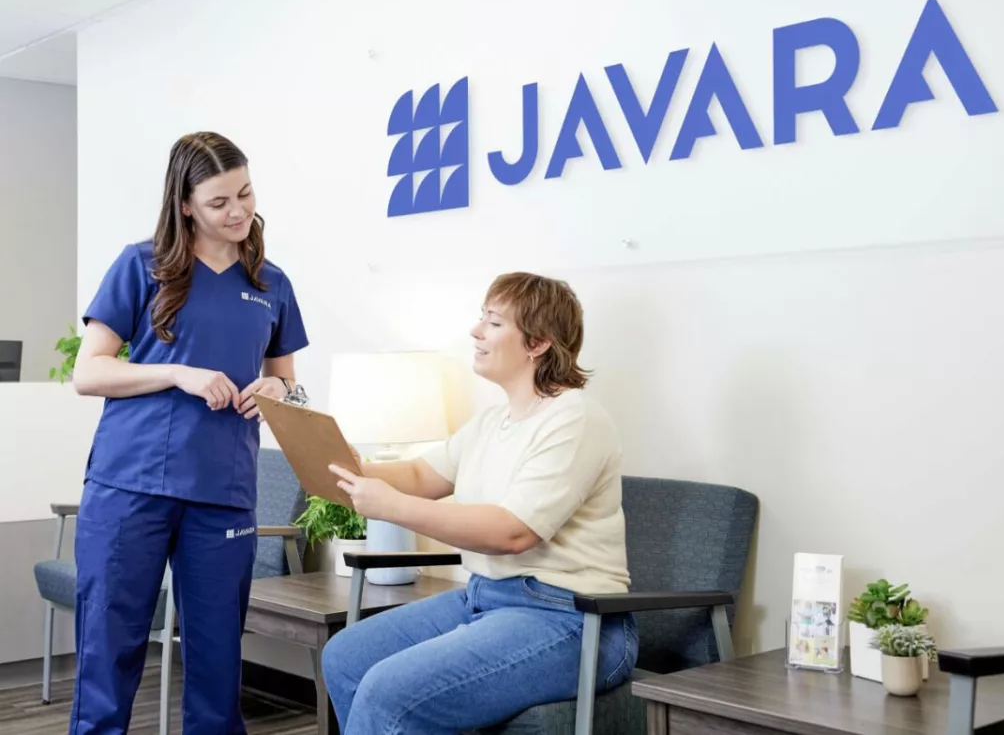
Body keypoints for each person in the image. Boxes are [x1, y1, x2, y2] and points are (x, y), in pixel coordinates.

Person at [320, 272, 638, 734]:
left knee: (389, 691)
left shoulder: (576, 417)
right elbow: (419, 476)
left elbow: (512, 531)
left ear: (538, 343)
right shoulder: (493, 420)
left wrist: (389, 506)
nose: (475, 332)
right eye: (481, 318)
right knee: (346, 657)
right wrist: (352, 467)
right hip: (484, 598)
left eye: (493, 322)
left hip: (571, 618)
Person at [68, 131, 309, 734]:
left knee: (218, 661)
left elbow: (288, 383)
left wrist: (279, 392)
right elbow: (89, 372)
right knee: (109, 648)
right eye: (219, 202)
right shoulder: (140, 264)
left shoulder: (271, 283)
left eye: (245, 194)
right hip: (131, 483)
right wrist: (177, 372)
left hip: (222, 488)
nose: (238, 212)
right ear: (184, 204)